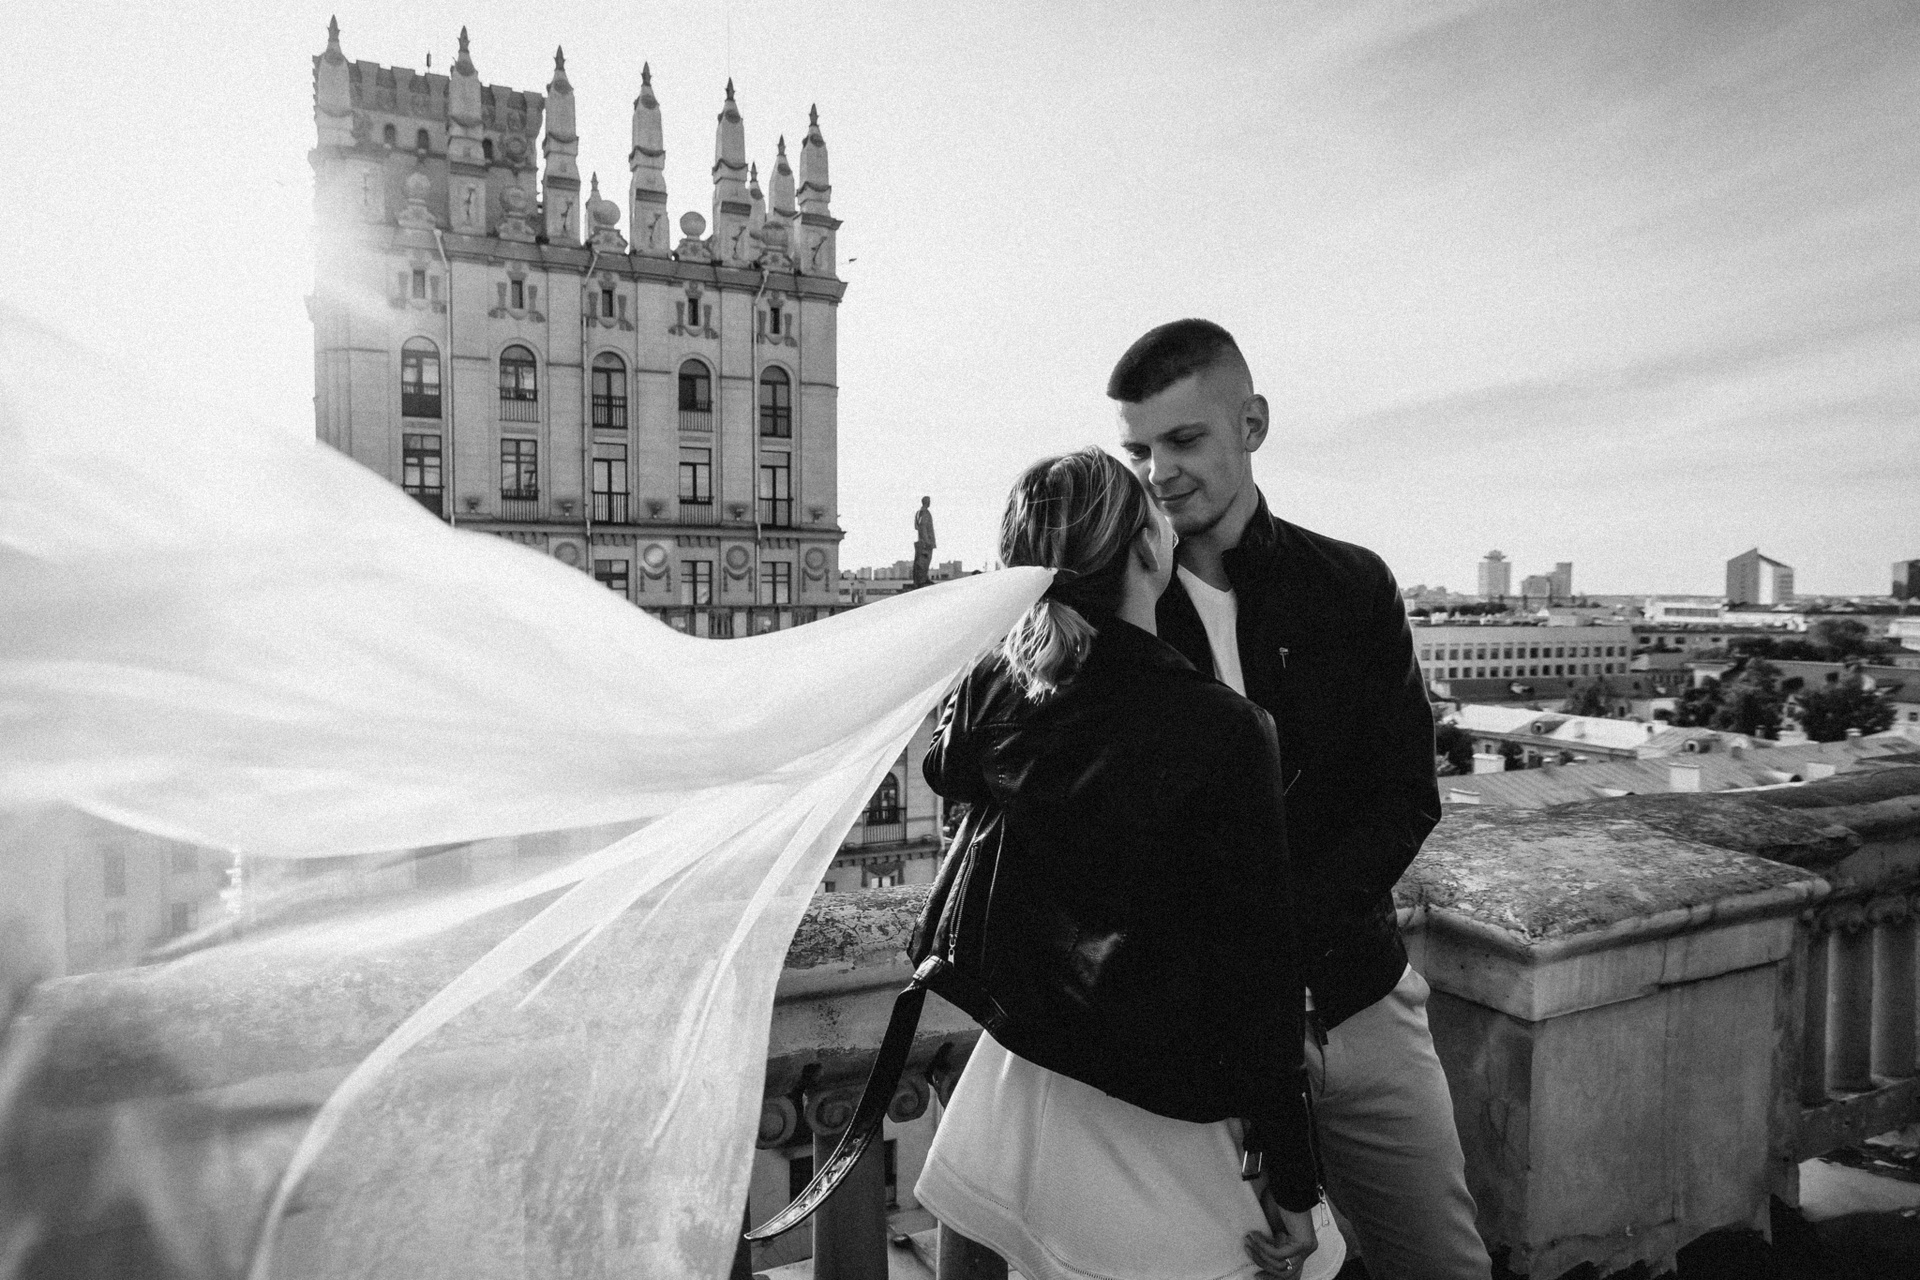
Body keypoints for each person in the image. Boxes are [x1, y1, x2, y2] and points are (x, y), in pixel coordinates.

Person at [1109, 319, 1492, 1280]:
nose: (1158, 474)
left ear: (1253, 425)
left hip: (1360, 1005)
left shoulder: (1351, 585)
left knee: (1442, 1267)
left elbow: (1405, 797)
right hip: (1192, 1040)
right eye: (1139, 450)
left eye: (1184, 440)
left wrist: (1284, 948)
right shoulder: (1113, 608)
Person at [914, 448, 1345, 1280]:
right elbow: (1259, 972)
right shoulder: (1225, 728)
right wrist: (1293, 1175)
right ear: (1149, 549)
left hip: (1019, 1084)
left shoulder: (1006, 692)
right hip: (1158, 1111)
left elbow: (945, 767)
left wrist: (999, 643)